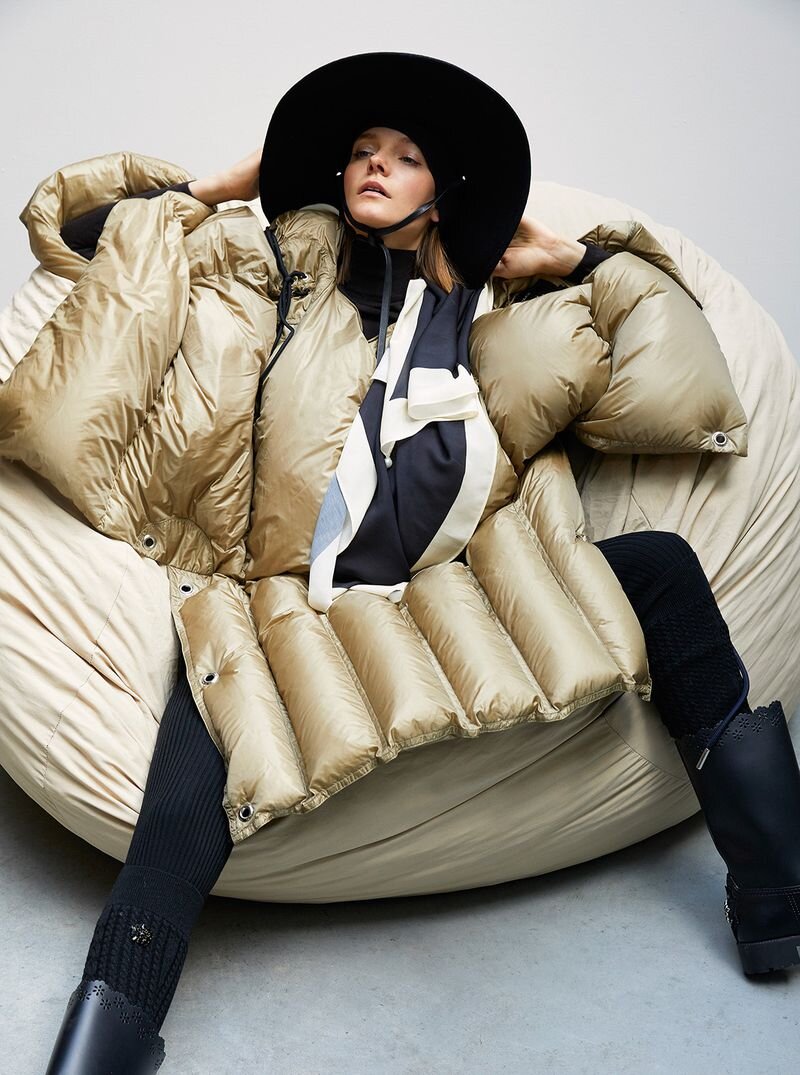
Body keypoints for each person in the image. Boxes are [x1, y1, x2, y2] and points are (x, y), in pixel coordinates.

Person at [11, 52, 798, 1073]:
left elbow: (677, 385)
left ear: (443, 191)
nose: (374, 165)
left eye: (405, 155)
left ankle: (775, 895)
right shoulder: (275, 264)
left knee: (662, 568)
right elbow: (78, 243)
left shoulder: (491, 311)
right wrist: (218, 189)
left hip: (458, 577)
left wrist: (575, 261)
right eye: (359, 151)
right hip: (274, 594)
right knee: (183, 801)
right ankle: (94, 1052)